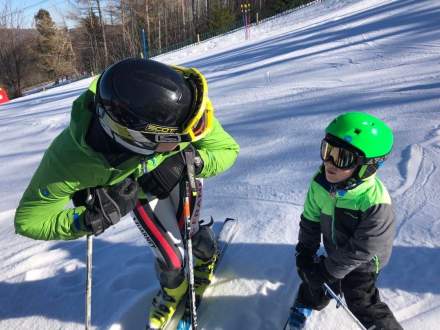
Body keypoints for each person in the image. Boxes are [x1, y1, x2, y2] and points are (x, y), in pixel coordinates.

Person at [14, 58, 239, 329]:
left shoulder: (183, 112)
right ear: (138, 141)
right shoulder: (68, 161)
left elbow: (227, 150)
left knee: (189, 232)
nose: (190, 136)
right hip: (138, 195)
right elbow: (29, 221)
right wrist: (87, 219)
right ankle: (173, 289)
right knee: (170, 259)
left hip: (182, 179)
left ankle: (207, 257)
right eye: (173, 142)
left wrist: (189, 162)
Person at [288, 112, 402, 330]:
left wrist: (327, 270)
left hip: (364, 263)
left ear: (367, 166)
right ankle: (308, 301)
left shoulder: (375, 203)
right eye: (327, 150)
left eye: (342, 158)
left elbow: (363, 249)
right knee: (315, 281)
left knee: (360, 299)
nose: (329, 162)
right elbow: (310, 220)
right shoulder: (320, 183)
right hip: (334, 250)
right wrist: (305, 251)